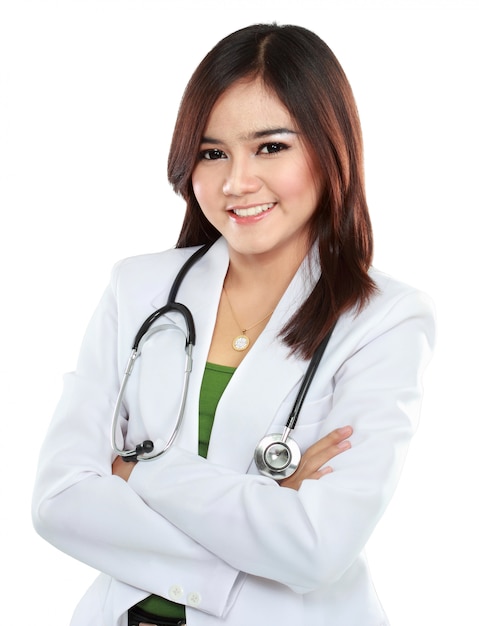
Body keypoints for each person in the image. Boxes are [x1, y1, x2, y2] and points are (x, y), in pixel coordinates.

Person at [32, 22, 435, 626]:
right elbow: (58, 501)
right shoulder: (137, 290)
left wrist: (136, 472)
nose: (235, 183)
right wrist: (259, 516)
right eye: (212, 152)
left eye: (270, 147)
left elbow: (316, 547)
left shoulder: (385, 320)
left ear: (331, 150)